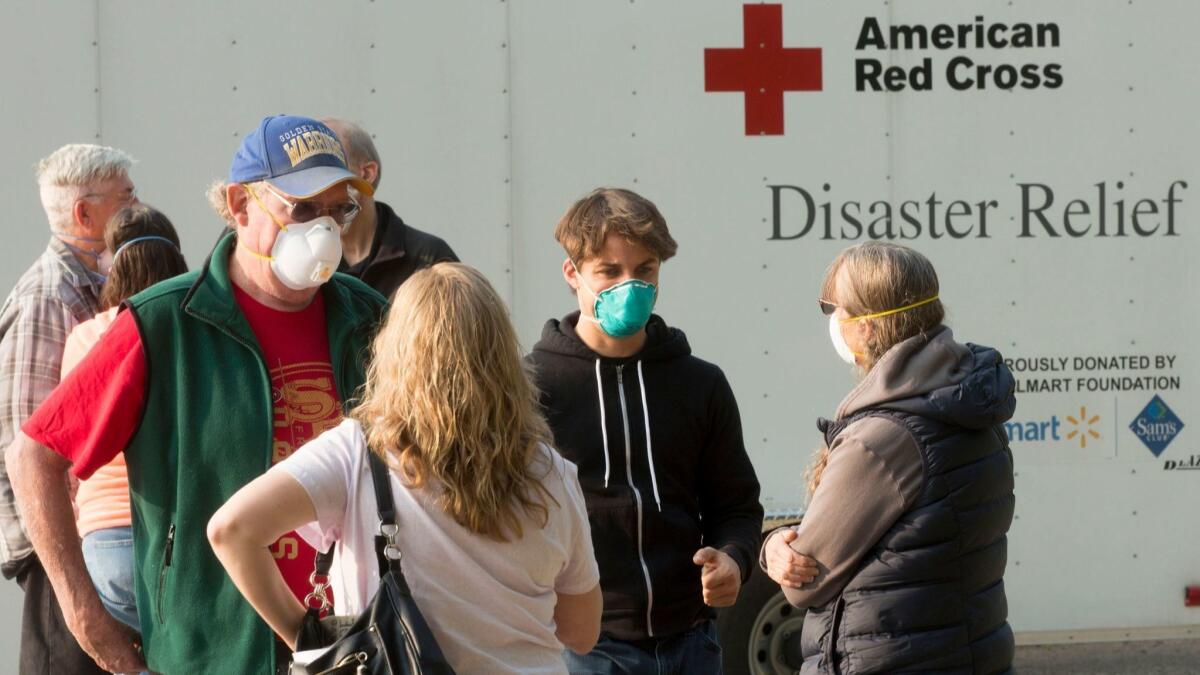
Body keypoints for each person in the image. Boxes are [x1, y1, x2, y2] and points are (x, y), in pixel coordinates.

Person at [6, 114, 386, 674]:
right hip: (213, 653)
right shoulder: (163, 323)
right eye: (302, 209)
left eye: (339, 209)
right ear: (239, 205)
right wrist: (88, 619)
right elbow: (34, 454)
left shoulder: (367, 316)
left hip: (353, 648)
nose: (324, 230)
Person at [209, 262, 602, 674]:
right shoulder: (552, 473)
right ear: (503, 355)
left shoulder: (356, 453)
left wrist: (311, 642)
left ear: (394, 350)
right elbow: (581, 631)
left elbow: (230, 530)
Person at [527, 188, 764, 674]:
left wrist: (734, 559)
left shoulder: (700, 382)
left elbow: (737, 504)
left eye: (646, 270)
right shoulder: (532, 388)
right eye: (609, 272)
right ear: (572, 274)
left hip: (693, 644)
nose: (630, 285)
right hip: (582, 650)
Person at [762, 241, 1016, 674]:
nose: (831, 320)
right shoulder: (966, 400)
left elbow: (807, 581)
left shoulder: (881, 439)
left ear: (867, 328)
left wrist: (773, 547)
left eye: (833, 307)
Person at [0, 142, 136, 675]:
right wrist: (60, 565)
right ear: (85, 213)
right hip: (63, 556)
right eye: (127, 197)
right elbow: (21, 445)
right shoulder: (48, 297)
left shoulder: (95, 285)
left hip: (95, 548)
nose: (137, 206)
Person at [62, 204, 188, 632]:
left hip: (105, 539)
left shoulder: (87, 337)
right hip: (181, 531)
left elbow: (74, 441)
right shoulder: (195, 330)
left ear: (111, 268)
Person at [320, 117, 458, 298]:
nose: (318, 185)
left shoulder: (429, 259)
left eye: (330, 167)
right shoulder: (310, 261)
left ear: (367, 173)